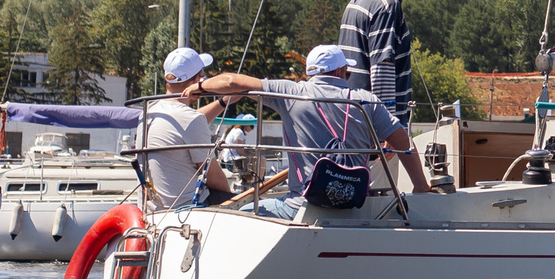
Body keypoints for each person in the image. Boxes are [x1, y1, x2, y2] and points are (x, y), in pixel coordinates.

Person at [188, 44, 429, 204]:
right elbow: (402, 143)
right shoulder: (367, 100)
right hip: (356, 204)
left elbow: (232, 81)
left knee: (245, 213)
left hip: (303, 204)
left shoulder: (291, 93)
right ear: (341, 71)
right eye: (347, 73)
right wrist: (420, 185)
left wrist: (198, 87)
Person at [340, 0, 422, 125]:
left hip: (352, 115)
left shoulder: (358, 0)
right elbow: (382, 66)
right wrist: (386, 124)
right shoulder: (387, 4)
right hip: (373, 123)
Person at [140, 46, 234, 206]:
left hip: (152, 209)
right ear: (197, 82)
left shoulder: (149, 111)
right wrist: (234, 198)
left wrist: (222, 102)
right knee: (244, 202)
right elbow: (216, 180)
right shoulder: (190, 119)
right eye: (203, 77)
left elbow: (188, 124)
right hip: (187, 208)